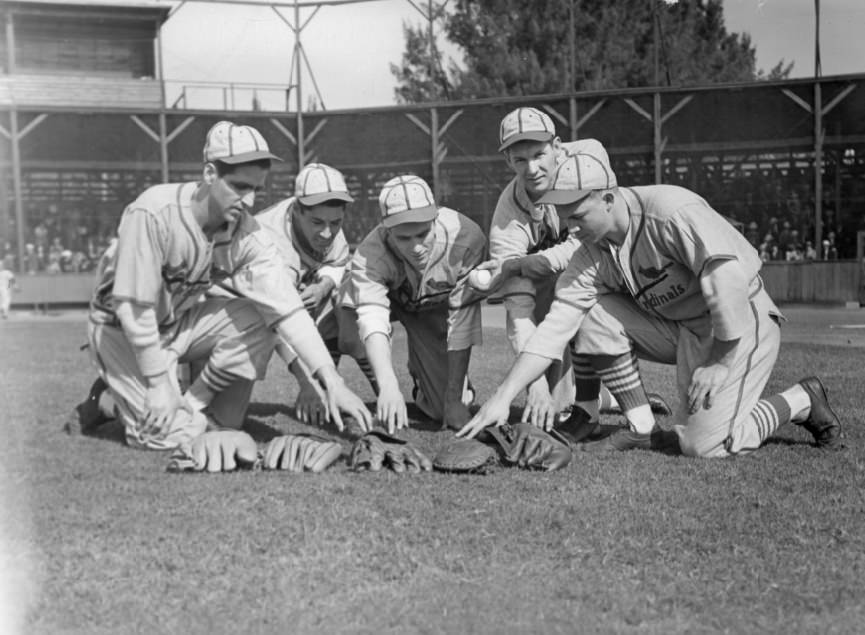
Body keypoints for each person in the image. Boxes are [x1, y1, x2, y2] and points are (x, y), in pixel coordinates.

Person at [459, 148, 842, 457]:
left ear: (608, 198)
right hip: (685, 329)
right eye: (563, 217)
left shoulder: (671, 211)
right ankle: (643, 428)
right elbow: (554, 331)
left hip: (743, 324)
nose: (569, 228)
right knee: (589, 313)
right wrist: (503, 396)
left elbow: (727, 281)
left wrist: (721, 363)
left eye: (576, 216)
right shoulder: (590, 253)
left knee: (703, 446)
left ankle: (799, 399)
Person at [67, 121, 372, 457]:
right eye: (240, 187)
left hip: (176, 325)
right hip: (120, 332)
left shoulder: (247, 233)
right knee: (160, 436)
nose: (249, 200)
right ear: (210, 174)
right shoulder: (155, 210)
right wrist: (156, 384)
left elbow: (288, 310)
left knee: (254, 340)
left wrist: (332, 380)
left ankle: (189, 404)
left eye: (257, 188)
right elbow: (132, 309)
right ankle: (106, 402)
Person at [482, 106, 669, 436]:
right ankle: (603, 399)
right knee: (551, 404)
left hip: (617, 267)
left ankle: (612, 403)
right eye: (521, 159)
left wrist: (542, 260)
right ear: (508, 162)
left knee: (587, 301)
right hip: (558, 285)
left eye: (539, 154)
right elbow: (518, 307)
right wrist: (534, 384)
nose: (533, 168)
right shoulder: (506, 215)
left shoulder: (588, 156)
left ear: (556, 146)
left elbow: (595, 234)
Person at [340, 174, 485, 433]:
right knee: (342, 320)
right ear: (386, 228)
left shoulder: (467, 239)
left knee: (444, 409)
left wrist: (453, 398)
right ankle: (326, 391)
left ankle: (423, 377)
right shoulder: (369, 254)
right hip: (390, 304)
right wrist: (388, 386)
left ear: (435, 217)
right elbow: (372, 319)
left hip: (431, 310)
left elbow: (462, 320)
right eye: (404, 238)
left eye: (422, 234)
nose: (416, 246)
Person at [254, 162, 377, 425]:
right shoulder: (270, 242)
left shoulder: (329, 223)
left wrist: (323, 287)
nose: (327, 232)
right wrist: (306, 383)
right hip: (228, 309)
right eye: (318, 222)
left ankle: (383, 390)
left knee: (347, 303)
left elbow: (338, 262)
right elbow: (279, 320)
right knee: (227, 408)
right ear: (297, 210)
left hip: (293, 290)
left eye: (336, 222)